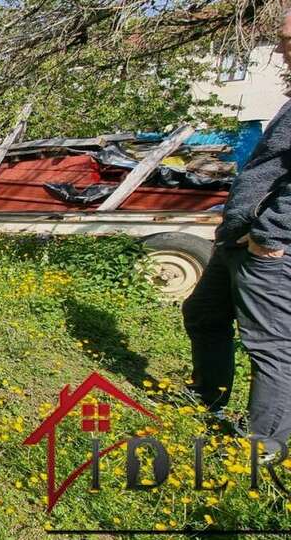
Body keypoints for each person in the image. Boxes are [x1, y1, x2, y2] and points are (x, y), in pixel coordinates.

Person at [183, 9, 291, 445]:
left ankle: (264, 444)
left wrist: (270, 235)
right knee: (204, 314)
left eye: (288, 41)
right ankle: (207, 397)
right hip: (238, 237)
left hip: (267, 246)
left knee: (269, 345)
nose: (282, 52)